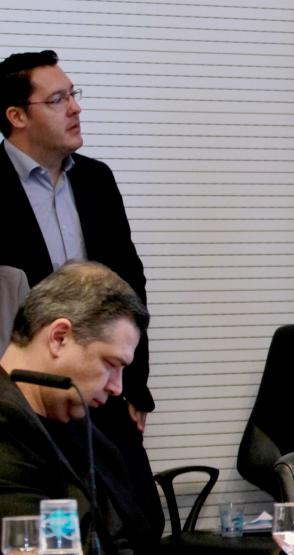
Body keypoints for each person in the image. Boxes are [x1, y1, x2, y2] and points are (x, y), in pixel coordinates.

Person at [0, 50, 161, 534]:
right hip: (24, 392)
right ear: (17, 116)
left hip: (98, 385)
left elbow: (130, 284)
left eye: (73, 95)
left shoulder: (96, 180)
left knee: (138, 520)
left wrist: (133, 384)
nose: (75, 108)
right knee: (46, 525)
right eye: (57, 99)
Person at [0, 261, 158, 554]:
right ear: (59, 338)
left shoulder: (82, 426)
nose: (117, 388)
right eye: (111, 365)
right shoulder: (7, 430)